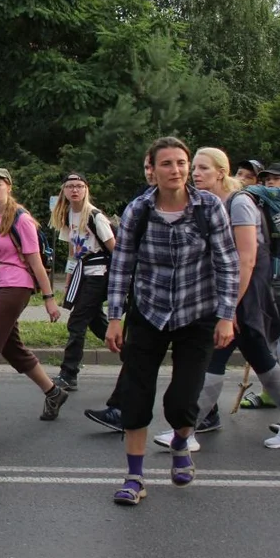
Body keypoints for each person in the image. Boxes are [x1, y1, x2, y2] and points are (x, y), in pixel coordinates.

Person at [106, 137, 238, 506]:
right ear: (152, 169)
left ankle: (181, 442)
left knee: (182, 400)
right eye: (167, 163)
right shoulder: (139, 210)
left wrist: (226, 316)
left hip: (198, 313)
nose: (176, 170)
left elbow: (227, 263)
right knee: (135, 396)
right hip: (148, 311)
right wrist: (115, 316)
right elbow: (122, 265)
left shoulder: (208, 207)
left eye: (181, 163)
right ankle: (134, 477)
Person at [152, 148, 280, 451]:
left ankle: (187, 431)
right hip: (229, 295)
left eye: (203, 168)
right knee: (259, 359)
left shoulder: (239, 204)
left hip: (243, 295)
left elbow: (247, 260)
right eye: (194, 168)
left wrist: (229, 308)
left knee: (216, 357)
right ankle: (188, 430)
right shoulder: (210, 204)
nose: (195, 174)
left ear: (221, 172)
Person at [0, 167, 67, 427]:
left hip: (17, 286)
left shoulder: (20, 219)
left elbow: (35, 261)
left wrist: (48, 297)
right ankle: (53, 392)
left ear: (8, 187)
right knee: (11, 347)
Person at [85, 153, 157, 432]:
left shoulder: (200, 204)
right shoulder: (142, 200)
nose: (150, 172)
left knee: (254, 351)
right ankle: (120, 409)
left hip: (190, 297)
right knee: (137, 353)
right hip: (145, 291)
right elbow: (126, 253)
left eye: (155, 166)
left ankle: (201, 411)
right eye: (147, 166)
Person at [50, 173, 115, 392]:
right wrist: (68, 283)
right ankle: (132, 355)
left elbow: (114, 248)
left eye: (79, 186)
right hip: (82, 272)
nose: (75, 190)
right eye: (70, 186)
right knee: (95, 321)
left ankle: (69, 374)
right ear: (64, 191)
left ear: (86, 189)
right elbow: (72, 254)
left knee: (77, 321)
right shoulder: (67, 215)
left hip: (99, 272)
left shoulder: (95, 216)